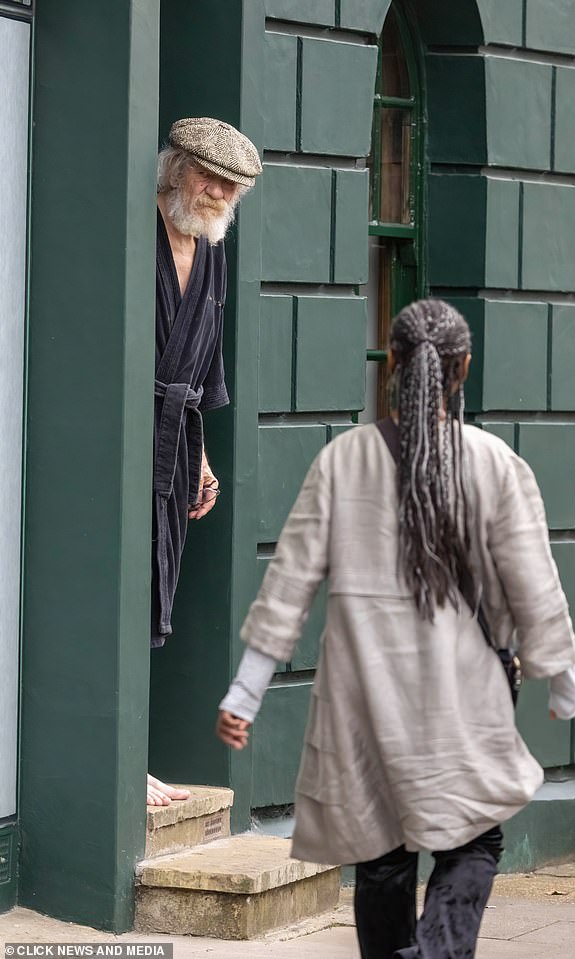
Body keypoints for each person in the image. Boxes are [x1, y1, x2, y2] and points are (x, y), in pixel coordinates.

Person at [216, 299, 575, 958]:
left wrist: (245, 693)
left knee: (381, 855)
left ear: (392, 361)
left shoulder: (342, 461)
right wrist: (564, 680)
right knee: (472, 839)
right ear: (462, 368)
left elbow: (288, 585)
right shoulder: (494, 463)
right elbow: (535, 582)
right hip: (466, 695)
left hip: (363, 702)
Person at [148, 117, 262, 807]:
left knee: (154, 594)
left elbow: (204, 362)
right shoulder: (137, 230)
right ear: (175, 168)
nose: (217, 191)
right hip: (122, 439)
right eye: (208, 175)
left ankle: (135, 755)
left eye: (231, 185)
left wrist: (201, 458)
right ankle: (114, 762)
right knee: (116, 595)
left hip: (175, 445)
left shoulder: (213, 250)